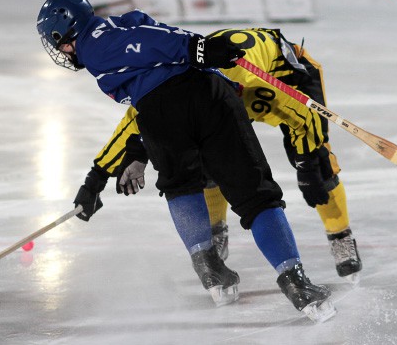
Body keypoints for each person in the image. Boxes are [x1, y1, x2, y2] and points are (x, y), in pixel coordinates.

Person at [37, 0, 335, 322]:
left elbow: (147, 44)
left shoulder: (97, 43)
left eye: (56, 41)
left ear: (63, 34)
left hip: (162, 116)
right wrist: (110, 169)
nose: (59, 51)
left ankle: (210, 271)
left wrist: (199, 49)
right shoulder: (107, 36)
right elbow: (150, 52)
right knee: (256, 196)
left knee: (181, 187)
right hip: (201, 98)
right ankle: (297, 285)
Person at [76, 28, 363, 285]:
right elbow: (136, 123)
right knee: (209, 155)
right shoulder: (185, 78)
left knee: (319, 164)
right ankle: (217, 230)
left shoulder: (258, 86)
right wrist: (96, 178)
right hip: (223, 90)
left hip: (287, 75)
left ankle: (340, 234)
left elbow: (304, 118)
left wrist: (307, 165)